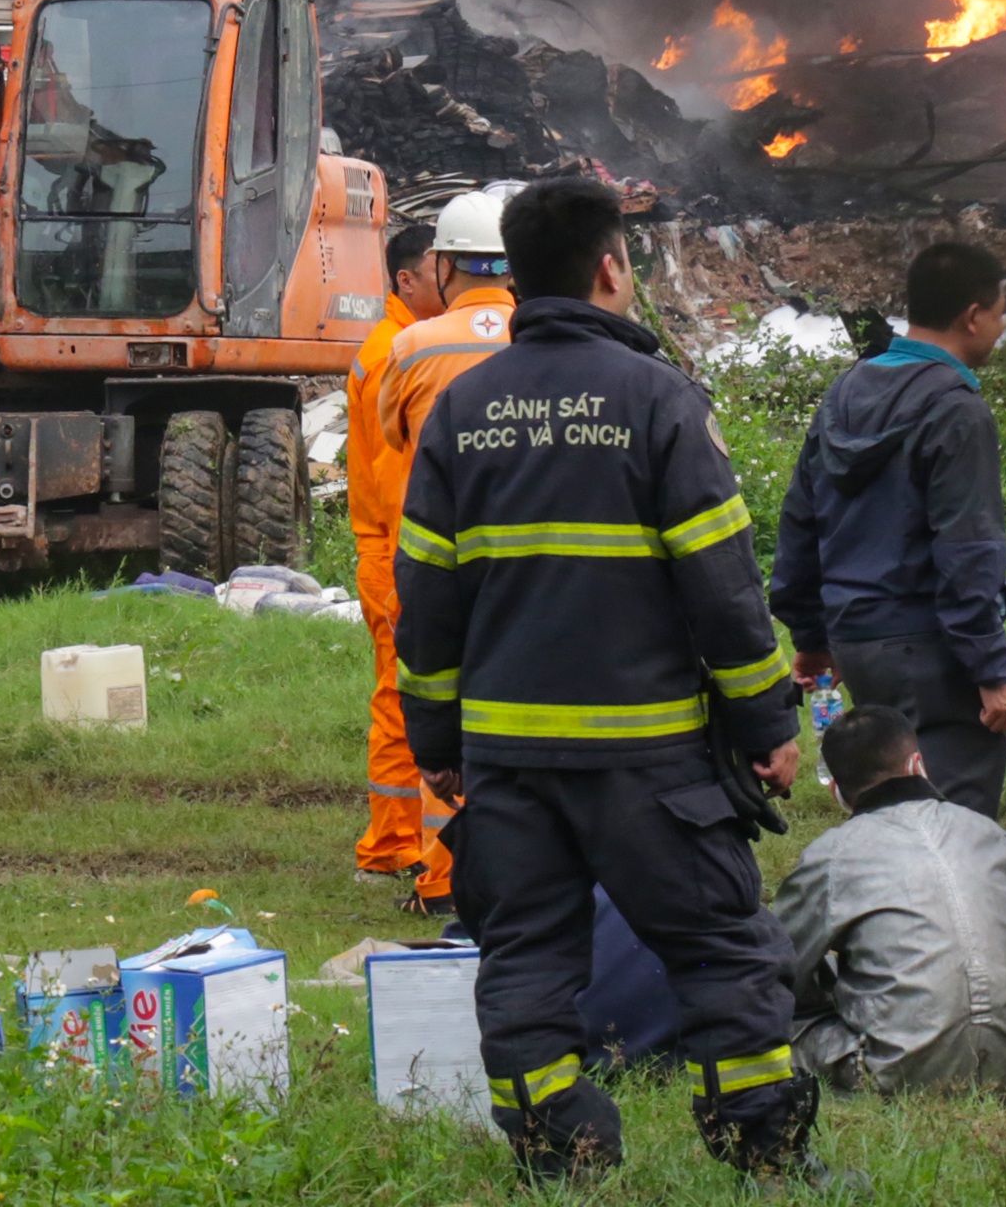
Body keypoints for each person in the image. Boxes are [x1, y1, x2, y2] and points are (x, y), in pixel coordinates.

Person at [397, 176, 817, 1182]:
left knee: (526, 963)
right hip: (650, 761)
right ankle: (763, 1157)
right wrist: (767, 722)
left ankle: (560, 1157)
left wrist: (438, 746)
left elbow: (426, 603)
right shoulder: (659, 401)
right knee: (721, 953)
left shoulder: (463, 411)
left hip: (507, 763)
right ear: (610, 269)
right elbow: (723, 589)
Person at [769, 239, 1006, 817]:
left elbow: (800, 519)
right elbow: (968, 547)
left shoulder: (845, 391)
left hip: (858, 646)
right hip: (929, 651)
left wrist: (811, 638)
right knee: (950, 823)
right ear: (973, 315)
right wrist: (990, 669)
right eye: (1001, 314)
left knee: (889, 811)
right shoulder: (957, 408)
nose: (1001, 329)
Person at [776, 704, 1006, 1095]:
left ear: (835, 790)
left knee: (779, 1019)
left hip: (894, 1076)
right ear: (917, 764)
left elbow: (783, 969)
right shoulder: (989, 833)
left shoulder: (828, 856)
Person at [359, 192, 519, 913]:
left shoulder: (410, 346)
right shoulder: (542, 334)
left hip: (435, 560)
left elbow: (394, 446)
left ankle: (443, 877)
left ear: (444, 264)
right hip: (528, 563)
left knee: (432, 702)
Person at [348, 218, 445, 894]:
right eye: (439, 271)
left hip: (389, 548)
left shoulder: (398, 344)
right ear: (405, 279)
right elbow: (397, 475)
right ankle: (390, 846)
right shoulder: (396, 352)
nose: (451, 283)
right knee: (403, 701)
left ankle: (401, 841)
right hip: (396, 551)